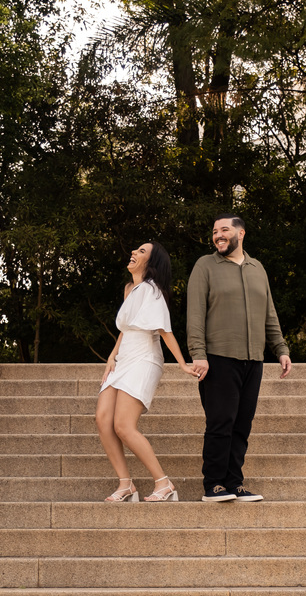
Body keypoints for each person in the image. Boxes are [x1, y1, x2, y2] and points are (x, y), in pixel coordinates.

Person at [187, 214, 292, 502]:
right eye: (214, 231)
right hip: (218, 357)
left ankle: (235, 482)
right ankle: (214, 484)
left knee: (242, 424)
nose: (218, 235)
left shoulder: (257, 268)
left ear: (241, 233)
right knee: (221, 421)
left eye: (224, 230)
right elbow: (195, 314)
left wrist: (280, 349)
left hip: (253, 360)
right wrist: (199, 354)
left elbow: (269, 312)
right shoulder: (205, 266)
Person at [97, 241, 197, 502]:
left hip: (144, 358)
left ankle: (164, 484)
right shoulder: (130, 288)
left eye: (141, 251)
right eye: (135, 249)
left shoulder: (153, 291)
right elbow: (126, 328)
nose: (133, 252)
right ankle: (125, 484)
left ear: (151, 263)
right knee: (103, 419)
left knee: (123, 425)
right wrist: (111, 356)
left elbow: (164, 330)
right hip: (124, 357)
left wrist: (183, 363)